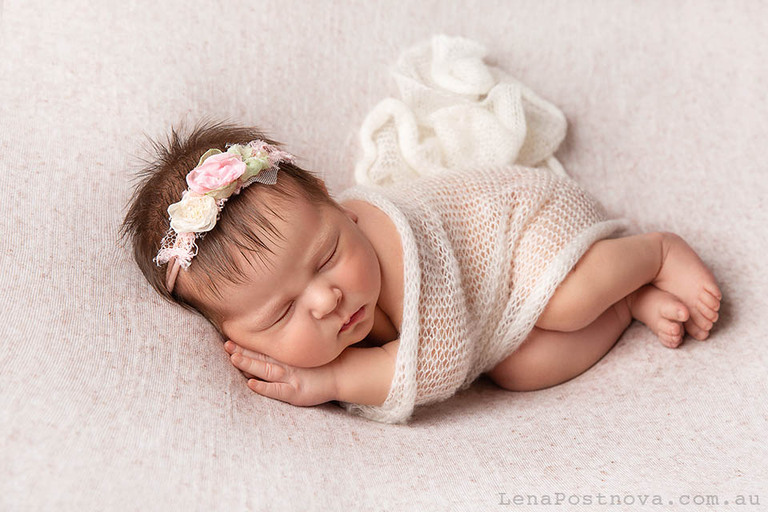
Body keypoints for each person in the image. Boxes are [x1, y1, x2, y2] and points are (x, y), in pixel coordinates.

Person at [121, 122, 721, 423]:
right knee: (520, 370)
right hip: (497, 311)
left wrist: (334, 381)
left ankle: (653, 254)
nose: (327, 299)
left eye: (327, 255)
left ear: (337, 203)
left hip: (529, 228)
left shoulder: (388, 238)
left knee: (566, 304)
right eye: (280, 313)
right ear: (237, 339)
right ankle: (627, 300)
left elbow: (440, 361)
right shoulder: (329, 293)